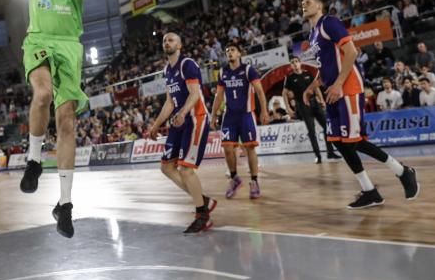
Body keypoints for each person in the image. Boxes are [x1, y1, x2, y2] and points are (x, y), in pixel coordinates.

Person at [3, 0, 123, 238]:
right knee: (41, 93)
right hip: (39, 38)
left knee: (68, 121)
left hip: (70, 47)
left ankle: (65, 205)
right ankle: (35, 160)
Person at [300, 0, 419, 209]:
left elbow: (351, 52)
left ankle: (402, 171)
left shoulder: (329, 22)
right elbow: (325, 67)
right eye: (302, 3)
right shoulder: (313, 33)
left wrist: (337, 84)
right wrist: (312, 87)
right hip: (333, 91)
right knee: (338, 140)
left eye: (308, 2)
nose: (303, 5)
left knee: (353, 141)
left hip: (348, 89)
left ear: (320, 5)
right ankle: (369, 191)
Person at [144, 33, 216, 233]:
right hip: (179, 120)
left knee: (185, 169)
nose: (167, 42)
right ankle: (204, 200)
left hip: (195, 118)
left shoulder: (187, 64)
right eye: (165, 40)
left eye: (171, 40)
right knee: (166, 167)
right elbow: (169, 101)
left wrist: (183, 112)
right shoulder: (167, 70)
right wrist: (156, 125)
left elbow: (194, 94)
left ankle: (202, 213)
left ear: (180, 44)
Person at [212, 43, 269, 196]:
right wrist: (213, 115)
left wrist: (264, 110)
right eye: (227, 51)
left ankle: (254, 181)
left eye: (232, 50)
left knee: (250, 147)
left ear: (239, 54)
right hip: (229, 116)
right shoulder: (223, 72)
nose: (229, 53)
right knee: (227, 148)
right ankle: (235, 178)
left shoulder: (248, 70)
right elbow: (218, 96)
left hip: (246, 114)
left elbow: (260, 92)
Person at [282, 57, 338, 163]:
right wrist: (288, 108)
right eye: (292, 63)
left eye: (296, 61)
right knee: (311, 131)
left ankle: (330, 153)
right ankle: (318, 156)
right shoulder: (289, 78)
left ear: (300, 63)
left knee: (327, 127)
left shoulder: (308, 74)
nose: (294, 64)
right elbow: (284, 93)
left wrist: (321, 100)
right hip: (302, 105)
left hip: (314, 103)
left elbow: (316, 88)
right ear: (291, 66)